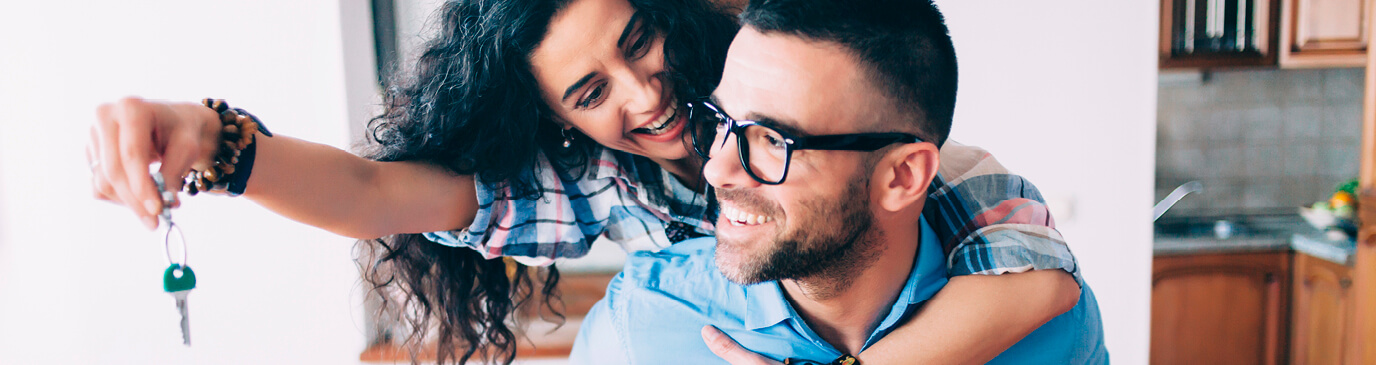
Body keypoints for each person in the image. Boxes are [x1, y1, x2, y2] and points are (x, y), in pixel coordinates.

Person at [86, 0, 1082, 363]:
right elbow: (374, 191)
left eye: (640, 41)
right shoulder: (602, 195)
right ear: (555, 123)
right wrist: (221, 146)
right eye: (589, 89)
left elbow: (1039, 279)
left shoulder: (942, 182)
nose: (647, 89)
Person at [570, 0, 1108, 363]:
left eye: (773, 141)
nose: (716, 171)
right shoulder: (636, 331)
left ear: (901, 176)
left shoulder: (1047, 325)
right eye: (720, 123)